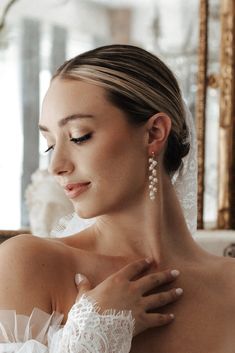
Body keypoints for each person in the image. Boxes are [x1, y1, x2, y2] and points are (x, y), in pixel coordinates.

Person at [1, 43, 235, 352]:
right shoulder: (30, 263)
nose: (56, 166)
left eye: (78, 136)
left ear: (153, 133)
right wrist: (89, 340)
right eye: (49, 144)